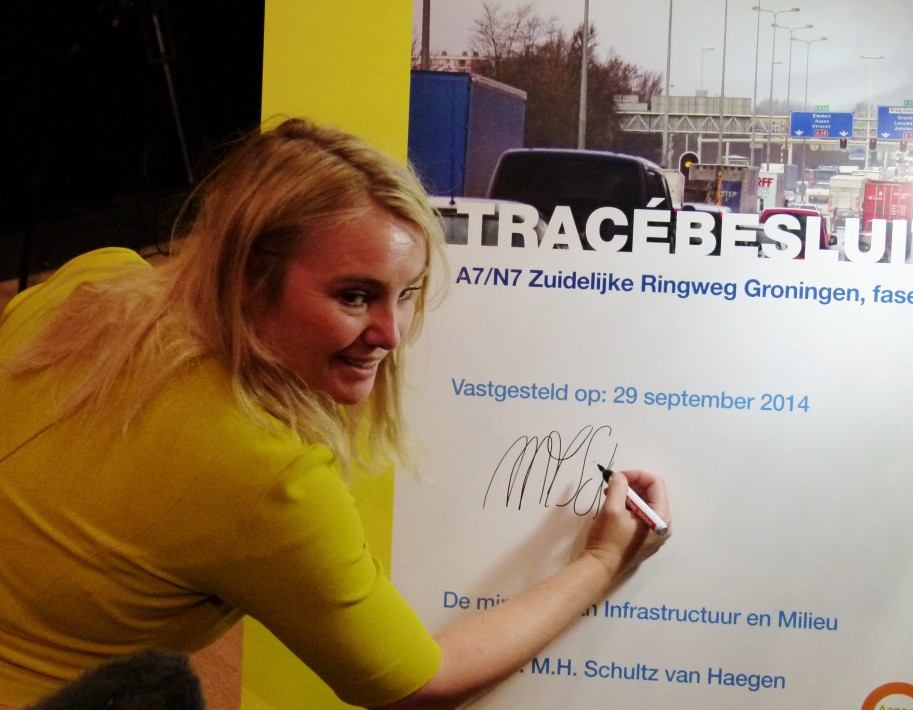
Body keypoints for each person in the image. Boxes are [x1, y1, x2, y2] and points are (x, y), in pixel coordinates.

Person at [0, 118, 671, 708]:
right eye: (354, 296)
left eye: (407, 293)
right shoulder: (266, 474)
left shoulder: (95, 279)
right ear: (248, 276)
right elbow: (421, 686)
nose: (391, 333)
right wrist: (602, 560)